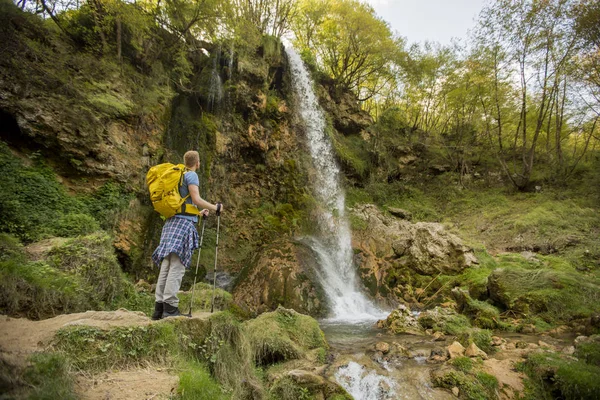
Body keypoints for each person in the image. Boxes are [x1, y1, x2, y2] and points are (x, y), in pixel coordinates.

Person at [151, 150, 223, 319]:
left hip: (170, 224)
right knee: (177, 266)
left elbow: (184, 203)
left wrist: (198, 213)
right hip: (183, 225)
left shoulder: (178, 175)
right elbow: (196, 199)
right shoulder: (191, 175)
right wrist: (215, 207)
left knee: (166, 265)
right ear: (197, 163)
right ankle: (170, 308)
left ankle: (158, 309)